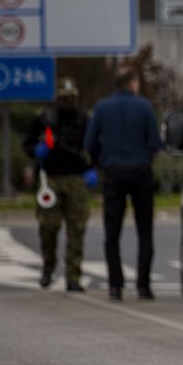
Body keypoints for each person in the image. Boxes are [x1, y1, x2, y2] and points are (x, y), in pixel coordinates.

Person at [84, 66, 163, 302]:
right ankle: (143, 286)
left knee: (112, 233)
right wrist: (146, 158)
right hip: (140, 172)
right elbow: (156, 143)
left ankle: (115, 286)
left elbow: (90, 143)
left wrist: (102, 164)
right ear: (133, 83)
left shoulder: (102, 108)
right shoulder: (145, 107)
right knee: (145, 231)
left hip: (113, 173)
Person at [22, 77, 95, 292]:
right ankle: (48, 267)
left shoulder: (84, 119)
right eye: (64, 97)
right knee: (48, 227)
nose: (68, 101)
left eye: (71, 97)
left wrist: (93, 168)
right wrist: (36, 150)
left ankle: (73, 276)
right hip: (50, 178)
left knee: (77, 229)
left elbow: (93, 146)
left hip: (76, 178)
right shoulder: (44, 119)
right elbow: (27, 143)